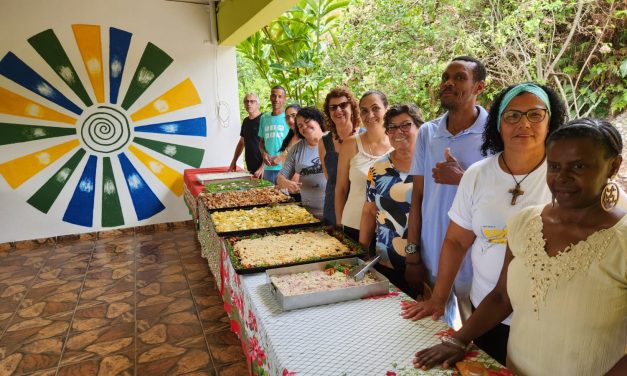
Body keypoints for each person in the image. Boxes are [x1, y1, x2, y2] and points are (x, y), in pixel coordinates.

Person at [413, 118, 627, 376]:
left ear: (613, 166)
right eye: (555, 166)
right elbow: (502, 296)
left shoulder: (621, 240)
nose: (562, 178)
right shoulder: (525, 223)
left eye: (578, 166)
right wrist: (459, 339)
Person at [402, 83, 567, 364]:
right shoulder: (478, 175)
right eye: (512, 115)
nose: (523, 123)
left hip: (546, 317)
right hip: (485, 311)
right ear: (498, 125)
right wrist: (438, 298)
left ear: (551, 122)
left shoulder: (568, 178)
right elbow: (456, 241)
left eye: (535, 115)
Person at [405, 56, 488, 327]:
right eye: (445, 77)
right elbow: (417, 197)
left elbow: (506, 196)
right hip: (431, 257)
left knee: (476, 346)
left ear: (479, 87)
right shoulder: (428, 133)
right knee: (432, 335)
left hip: (478, 263)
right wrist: (413, 251)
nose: (448, 83)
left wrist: (463, 179)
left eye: (460, 77)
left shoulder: (495, 135)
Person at [359, 104, 424, 297]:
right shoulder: (378, 168)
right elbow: (370, 211)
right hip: (387, 258)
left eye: (405, 125)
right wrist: (362, 253)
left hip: (426, 260)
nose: (398, 132)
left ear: (419, 127)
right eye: (392, 127)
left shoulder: (432, 165)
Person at [335, 90, 392, 242]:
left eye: (375, 108)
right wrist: (340, 223)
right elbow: (341, 188)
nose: (370, 115)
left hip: (390, 228)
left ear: (387, 109)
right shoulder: (350, 144)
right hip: (353, 224)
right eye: (364, 111)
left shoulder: (398, 144)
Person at [319, 87, 362, 225]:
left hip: (361, 209)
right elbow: (328, 177)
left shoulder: (365, 136)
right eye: (333, 107)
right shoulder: (324, 142)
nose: (338, 110)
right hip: (332, 210)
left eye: (343, 105)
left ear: (352, 108)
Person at [277, 107, 327, 218]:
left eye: (307, 122)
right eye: (300, 126)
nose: (304, 127)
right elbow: (280, 177)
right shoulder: (296, 149)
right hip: (308, 213)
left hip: (335, 211)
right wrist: (286, 183)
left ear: (317, 120)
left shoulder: (334, 141)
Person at [259, 86, 289, 184]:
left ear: (284, 99)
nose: (276, 99)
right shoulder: (264, 118)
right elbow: (261, 143)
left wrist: (281, 157)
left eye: (280, 96)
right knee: (269, 197)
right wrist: (263, 153)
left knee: (285, 198)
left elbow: (296, 142)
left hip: (285, 168)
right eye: (274, 96)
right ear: (270, 97)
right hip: (268, 168)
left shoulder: (289, 118)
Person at [228, 93, 264, 177]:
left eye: (252, 101)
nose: (249, 104)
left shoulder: (264, 120)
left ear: (257, 104)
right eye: (246, 101)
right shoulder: (246, 121)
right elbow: (241, 142)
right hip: (251, 168)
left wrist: (263, 167)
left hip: (264, 170)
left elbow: (271, 146)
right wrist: (234, 161)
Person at [280, 103, 302, 201]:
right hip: (287, 188)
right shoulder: (288, 138)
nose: (290, 120)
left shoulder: (307, 139)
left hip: (301, 188)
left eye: (293, 116)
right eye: (287, 117)